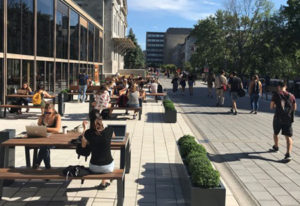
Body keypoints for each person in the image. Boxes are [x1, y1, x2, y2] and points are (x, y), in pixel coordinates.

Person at [82, 110, 114, 189]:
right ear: (101, 119)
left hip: (94, 167)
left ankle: (103, 183)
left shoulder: (88, 133)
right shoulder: (109, 130)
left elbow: (83, 146)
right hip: (108, 167)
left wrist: (84, 129)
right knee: (106, 157)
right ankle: (103, 183)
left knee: (99, 156)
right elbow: (113, 136)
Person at [270, 82, 296, 161]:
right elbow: (294, 107)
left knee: (276, 133)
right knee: (288, 136)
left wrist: (276, 106)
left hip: (278, 118)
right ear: (285, 86)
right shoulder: (292, 96)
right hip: (288, 119)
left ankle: (276, 147)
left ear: (278, 87)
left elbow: (271, 107)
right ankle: (288, 154)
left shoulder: (276, 95)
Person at [34, 103, 61, 169]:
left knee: (44, 146)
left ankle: (39, 164)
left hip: (54, 139)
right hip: (43, 137)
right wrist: (40, 121)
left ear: (53, 111)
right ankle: (47, 167)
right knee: (44, 146)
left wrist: (45, 129)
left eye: (49, 113)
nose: (47, 114)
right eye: (46, 112)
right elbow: (38, 127)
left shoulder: (57, 116)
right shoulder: (43, 117)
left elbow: (57, 129)